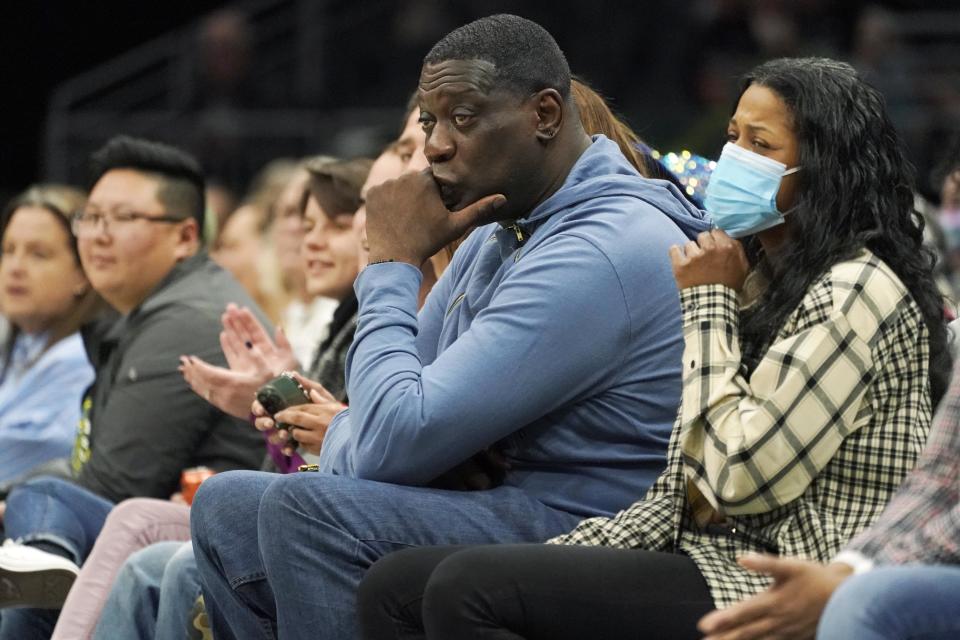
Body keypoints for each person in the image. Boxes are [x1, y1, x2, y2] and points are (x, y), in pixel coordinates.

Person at [355, 56, 950, 640]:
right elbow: (678, 489)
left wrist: (710, 304)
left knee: (470, 588)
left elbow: (740, 479)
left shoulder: (855, 289)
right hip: (700, 552)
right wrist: (568, 552)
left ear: (825, 167)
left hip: (780, 573)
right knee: (401, 583)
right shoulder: (756, 278)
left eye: (762, 146)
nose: (734, 160)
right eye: (733, 138)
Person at [192, 14, 711, 640]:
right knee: (227, 507)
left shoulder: (602, 246)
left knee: (311, 514)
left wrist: (390, 263)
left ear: (545, 115)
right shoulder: (502, 228)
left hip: (597, 527)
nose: (436, 145)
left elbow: (389, 442)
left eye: (462, 119)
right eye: (430, 121)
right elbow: (392, 420)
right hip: (512, 503)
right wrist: (420, 446)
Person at [47, 156, 373, 640]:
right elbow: (304, 465)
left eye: (339, 225)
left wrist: (284, 407)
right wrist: (279, 417)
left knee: (133, 528)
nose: (312, 240)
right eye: (306, 225)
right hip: (287, 510)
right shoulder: (339, 322)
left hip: (334, 523)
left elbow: (114, 480)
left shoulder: (376, 320)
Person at [0, 135, 267, 639]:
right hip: (178, 519)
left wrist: (23, 501)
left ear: (185, 236)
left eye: (122, 219)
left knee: (43, 512)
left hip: (214, 535)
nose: (98, 236)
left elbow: (114, 485)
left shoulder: (185, 322)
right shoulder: (153, 312)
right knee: (37, 509)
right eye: (92, 218)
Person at [695, 358, 960, 640]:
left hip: (805, 544)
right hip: (765, 548)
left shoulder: (856, 314)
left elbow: (741, 475)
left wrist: (848, 579)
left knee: (863, 605)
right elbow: (941, 477)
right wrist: (848, 567)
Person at [0, 186, 105, 487]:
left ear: (83, 273)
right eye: (8, 250)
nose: (15, 268)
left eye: (38, 254)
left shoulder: (80, 359)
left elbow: (17, 454)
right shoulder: (20, 342)